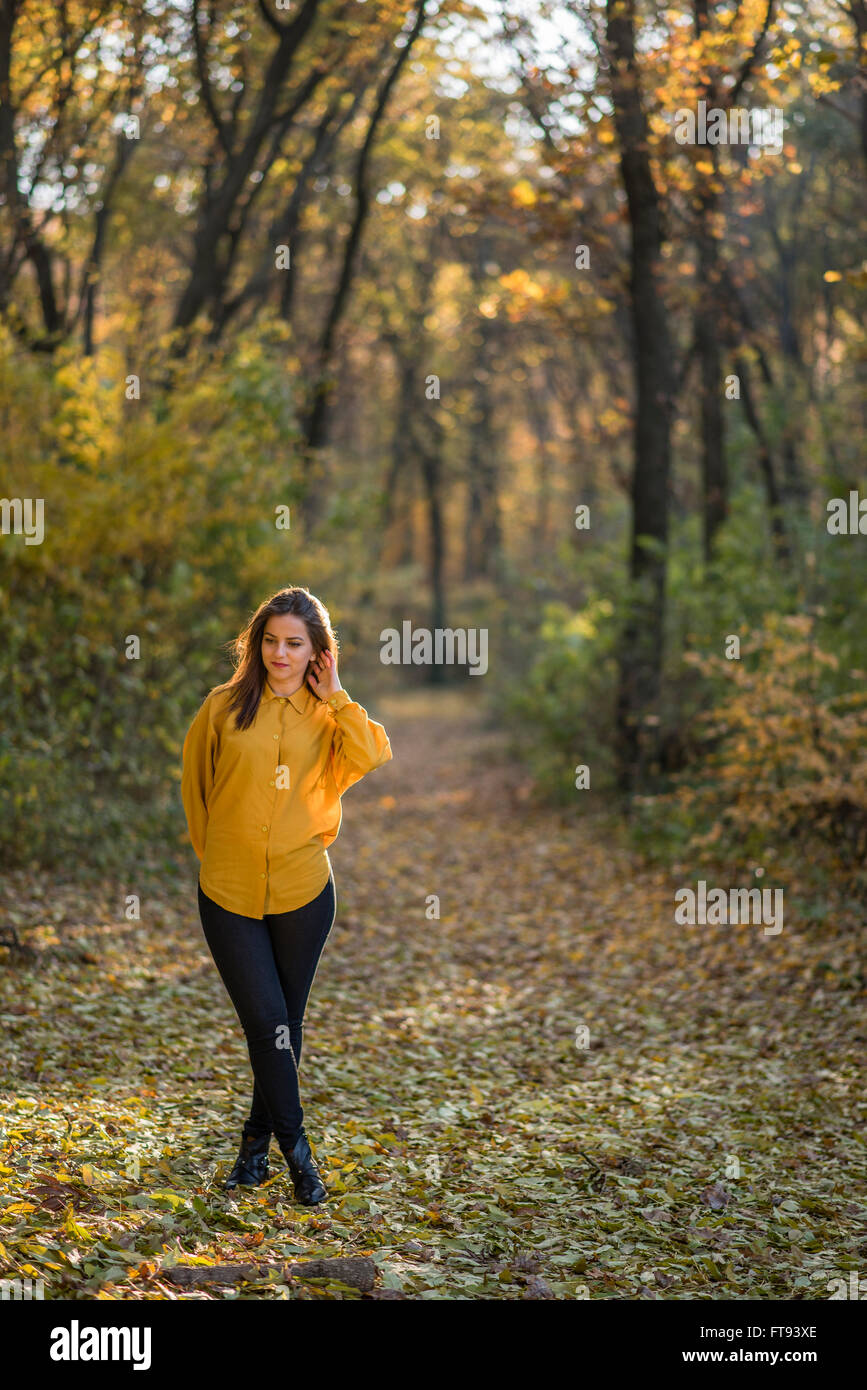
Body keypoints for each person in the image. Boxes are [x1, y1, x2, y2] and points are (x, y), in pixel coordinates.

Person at [181, 586, 392, 1204]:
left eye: (294, 643)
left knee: (283, 1028)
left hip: (305, 892)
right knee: (266, 1021)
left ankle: (253, 1150)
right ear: (256, 643)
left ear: (317, 653)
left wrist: (338, 696)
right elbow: (197, 790)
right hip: (228, 891)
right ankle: (299, 1154)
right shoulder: (221, 707)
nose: (279, 652)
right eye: (270, 640)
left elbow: (374, 753)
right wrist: (222, 853)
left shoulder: (330, 716)